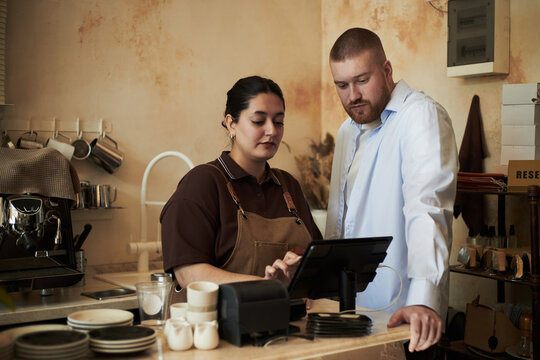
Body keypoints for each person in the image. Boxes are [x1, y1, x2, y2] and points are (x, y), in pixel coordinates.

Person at [325, 28, 458, 353]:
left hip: (407, 321)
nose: (352, 95)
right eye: (342, 85)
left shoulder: (420, 116)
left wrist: (424, 300)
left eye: (362, 79)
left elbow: (428, 209)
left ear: (387, 71)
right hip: (351, 319)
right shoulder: (346, 131)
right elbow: (339, 222)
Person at [160, 75, 322, 291]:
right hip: (219, 324)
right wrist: (267, 288)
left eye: (279, 121)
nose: (272, 130)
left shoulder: (288, 186)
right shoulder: (202, 183)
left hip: (289, 322)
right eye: (258, 121)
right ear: (231, 123)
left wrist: (301, 267)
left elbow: (317, 259)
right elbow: (189, 274)